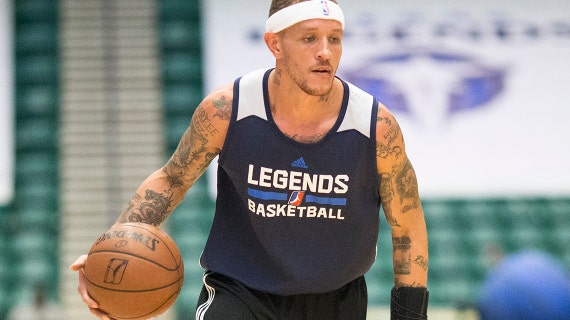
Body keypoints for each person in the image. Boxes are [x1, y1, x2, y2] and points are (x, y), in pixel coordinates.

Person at [70, 0, 429, 319]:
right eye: (309, 39)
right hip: (240, 292)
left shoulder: (376, 126)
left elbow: (407, 226)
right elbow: (171, 180)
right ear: (275, 44)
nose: (325, 52)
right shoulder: (227, 110)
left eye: (334, 38)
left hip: (336, 299)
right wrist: (112, 252)